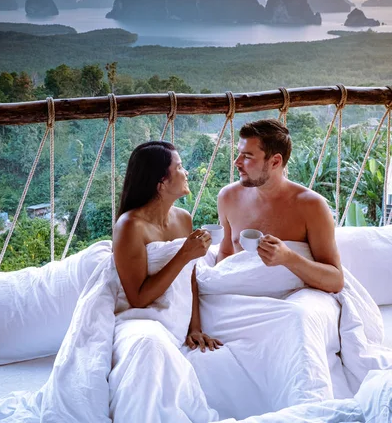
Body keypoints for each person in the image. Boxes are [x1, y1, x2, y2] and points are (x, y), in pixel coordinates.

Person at [113, 140, 223, 352]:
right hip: (140, 317)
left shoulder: (183, 218)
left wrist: (195, 328)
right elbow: (138, 299)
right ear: (161, 182)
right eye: (180, 167)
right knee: (151, 346)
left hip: (177, 314)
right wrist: (184, 254)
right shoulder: (130, 226)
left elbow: (189, 280)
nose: (186, 172)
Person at [216, 119, 344, 293]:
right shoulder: (228, 197)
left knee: (299, 316)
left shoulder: (312, 206)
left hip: (294, 296)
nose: (237, 162)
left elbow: (335, 281)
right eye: (239, 154)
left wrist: (288, 258)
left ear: (275, 162)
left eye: (247, 156)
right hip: (243, 296)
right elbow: (225, 254)